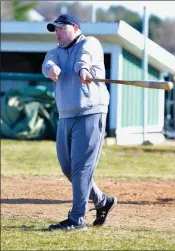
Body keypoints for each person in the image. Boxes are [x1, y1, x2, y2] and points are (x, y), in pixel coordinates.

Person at [42, 14, 117, 231]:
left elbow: (84, 57)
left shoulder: (90, 42)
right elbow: (48, 63)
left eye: (61, 28)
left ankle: (77, 219)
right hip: (66, 114)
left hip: (90, 112)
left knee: (81, 168)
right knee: (69, 169)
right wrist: (50, 70)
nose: (57, 32)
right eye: (54, 29)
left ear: (75, 28)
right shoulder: (55, 50)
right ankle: (102, 201)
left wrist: (83, 69)